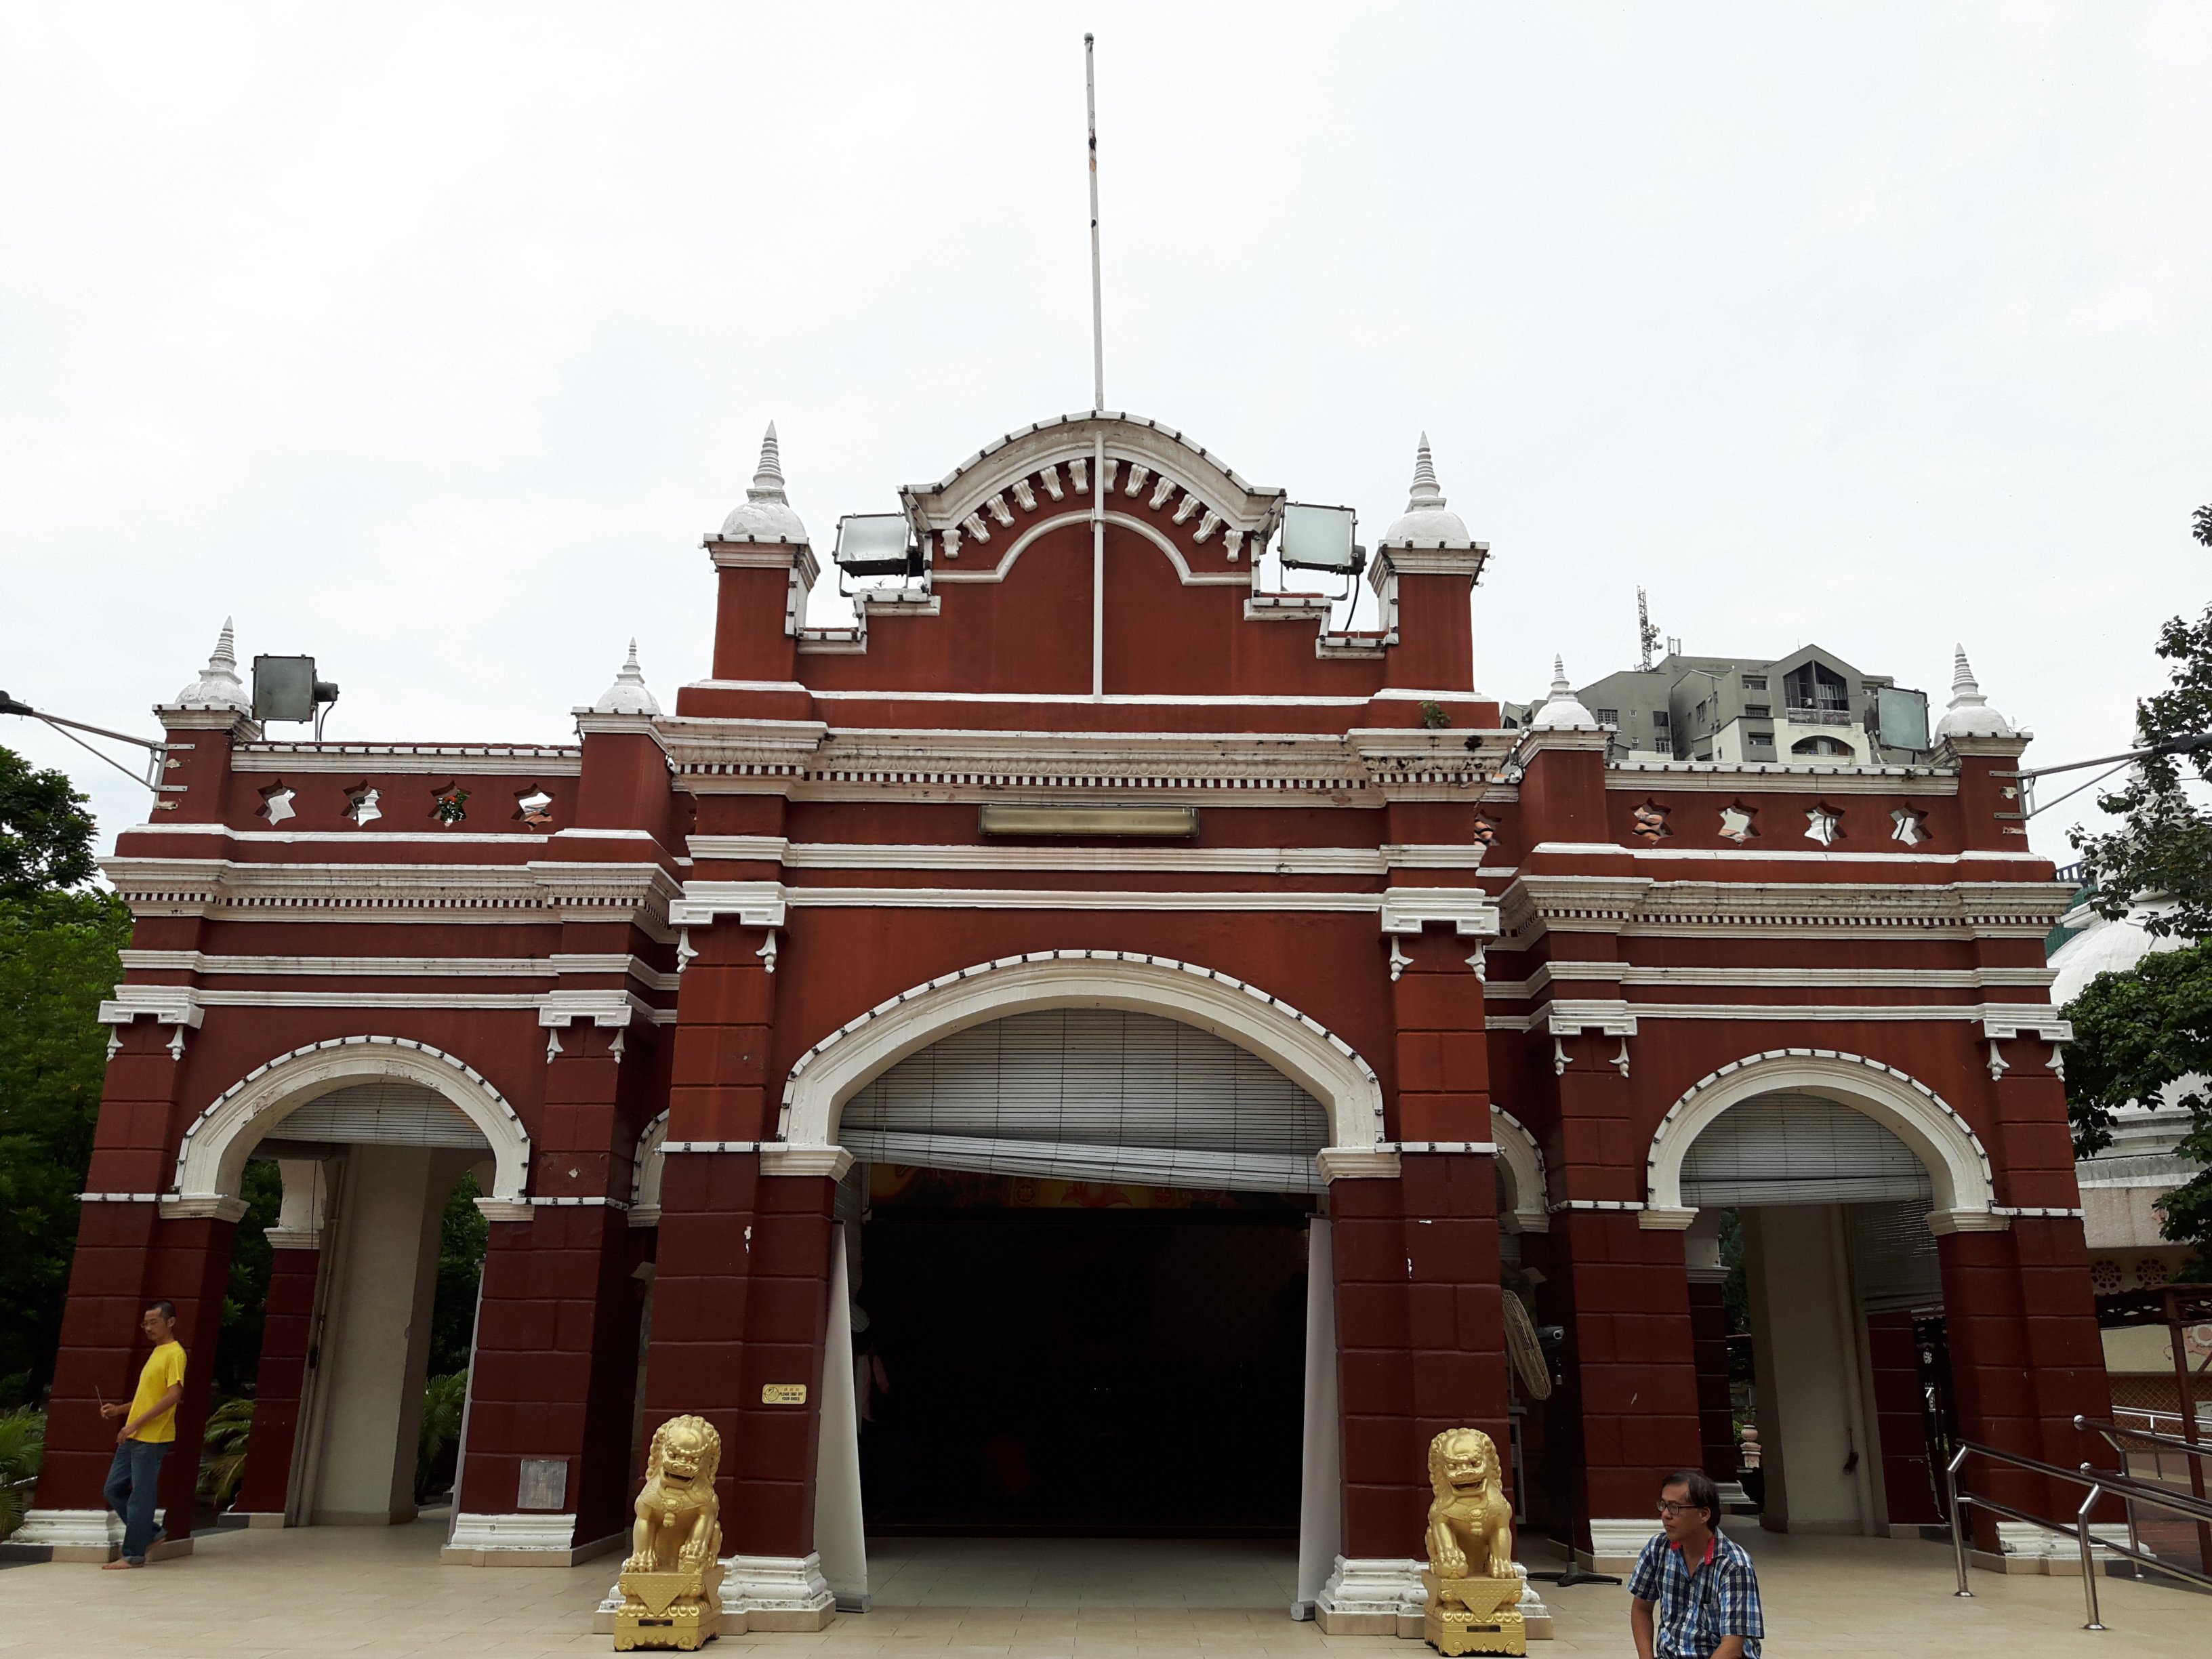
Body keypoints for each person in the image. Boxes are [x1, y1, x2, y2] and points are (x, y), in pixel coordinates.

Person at [1627, 1469, 1763, 1659]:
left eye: (1675, 1507)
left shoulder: (1734, 1566)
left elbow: (1732, 1648)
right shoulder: (1657, 1549)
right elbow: (1641, 1608)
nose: (1665, 1515)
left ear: (1704, 1514)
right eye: (1663, 1505)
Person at [98, 1300, 187, 1570]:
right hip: (135, 1434)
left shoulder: (175, 1353)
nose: (148, 1328)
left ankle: (134, 1554)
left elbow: (174, 1395)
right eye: (145, 1323)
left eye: (153, 1322)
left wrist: (133, 1424)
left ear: (170, 1322)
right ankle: (150, 1533)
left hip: (153, 1437)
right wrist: (120, 1411)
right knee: (113, 1489)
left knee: (141, 1495)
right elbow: (146, 1398)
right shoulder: (157, 1353)